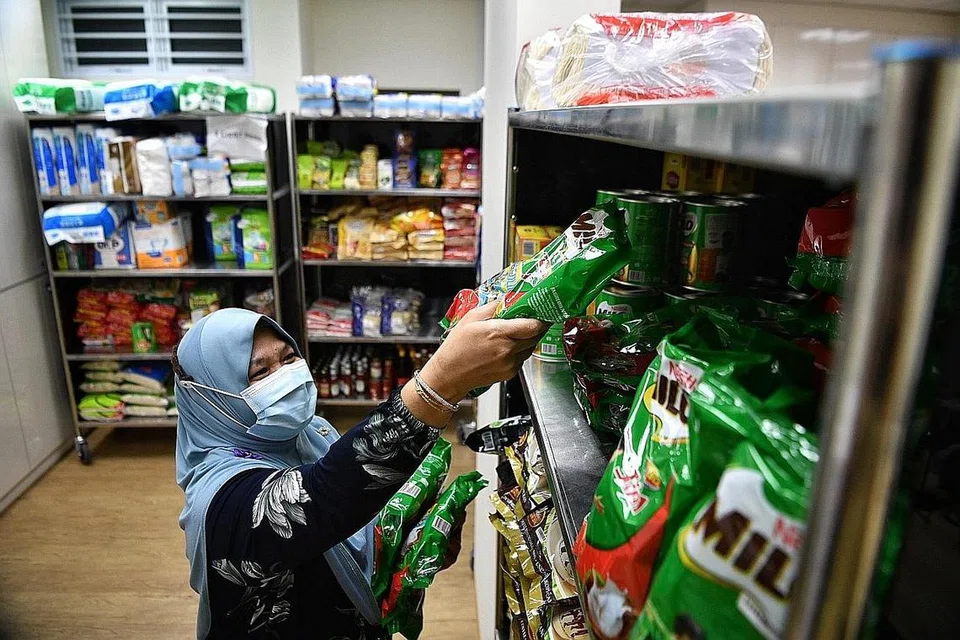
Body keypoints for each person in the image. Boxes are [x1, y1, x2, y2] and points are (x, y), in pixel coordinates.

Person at [174, 305, 545, 639]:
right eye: (260, 372)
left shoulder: (309, 434)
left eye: (288, 358)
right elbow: (324, 497)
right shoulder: (221, 502)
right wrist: (442, 382)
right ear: (209, 398)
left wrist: (413, 543)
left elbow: (346, 523)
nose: (285, 377)